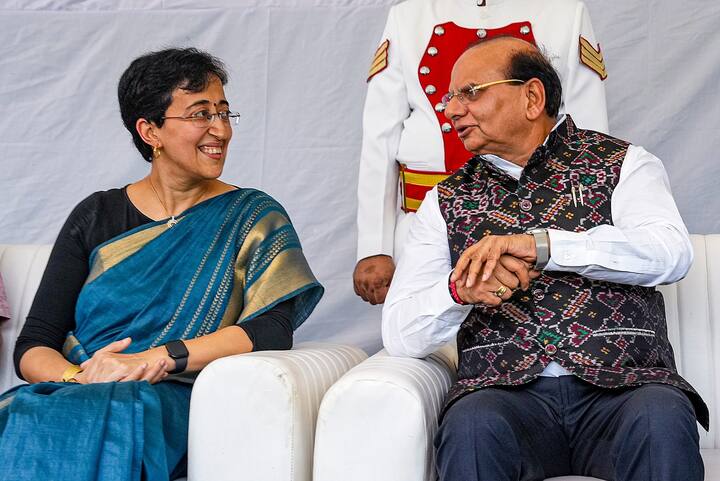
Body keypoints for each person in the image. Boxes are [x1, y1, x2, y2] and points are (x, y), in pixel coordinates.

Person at [382, 37, 706, 481]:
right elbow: (399, 333)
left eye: (470, 92)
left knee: (662, 416)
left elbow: (671, 251)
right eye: (449, 97)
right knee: (471, 425)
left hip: (623, 391)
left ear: (532, 97)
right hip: (504, 400)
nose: (452, 109)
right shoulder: (446, 200)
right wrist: (459, 292)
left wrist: (549, 247)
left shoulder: (622, 163)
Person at [0, 48, 323, 480]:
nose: (220, 129)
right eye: (200, 114)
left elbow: (271, 329)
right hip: (78, 388)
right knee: (24, 415)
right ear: (149, 130)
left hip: (169, 393)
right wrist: (85, 377)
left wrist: (157, 359)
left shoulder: (252, 215)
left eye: (225, 113)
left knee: (110, 419)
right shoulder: (95, 215)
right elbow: (35, 344)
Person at [354, 0, 610, 305]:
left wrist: (582, 239)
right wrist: (374, 246)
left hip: (532, 232)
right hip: (422, 232)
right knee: (420, 336)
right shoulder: (408, 16)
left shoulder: (564, 12)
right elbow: (379, 140)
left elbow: (586, 139)